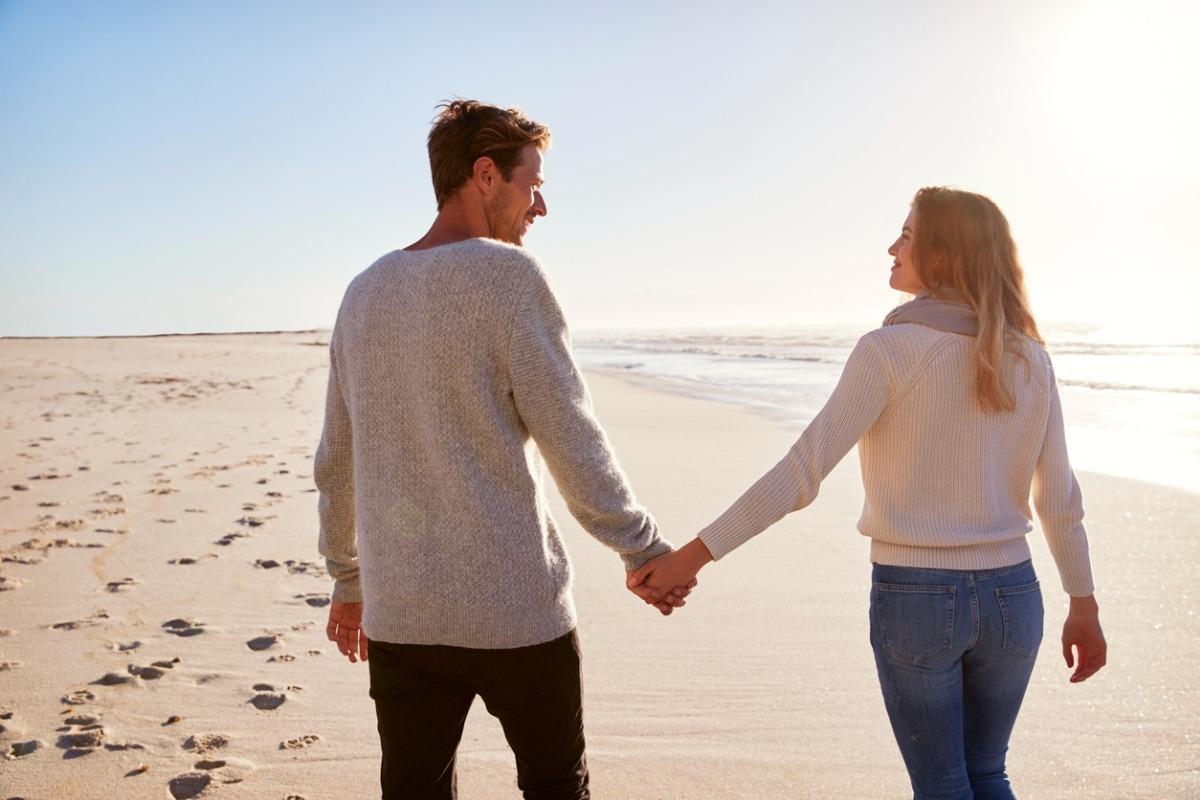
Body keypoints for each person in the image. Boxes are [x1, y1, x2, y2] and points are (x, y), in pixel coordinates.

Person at [628, 187, 1108, 799]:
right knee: (986, 772)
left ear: (941, 252)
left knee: (942, 783)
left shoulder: (889, 351)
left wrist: (689, 557)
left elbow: (801, 473)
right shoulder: (1031, 359)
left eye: (907, 234)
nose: (892, 246)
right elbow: (1059, 499)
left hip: (918, 598)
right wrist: (1083, 603)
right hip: (1016, 596)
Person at [314, 99, 691, 800]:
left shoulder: (362, 293)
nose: (540, 205)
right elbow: (570, 433)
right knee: (555, 788)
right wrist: (641, 550)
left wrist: (348, 581)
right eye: (532, 182)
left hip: (403, 614)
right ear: (485, 175)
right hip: (517, 612)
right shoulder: (508, 277)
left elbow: (337, 460)